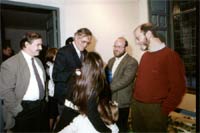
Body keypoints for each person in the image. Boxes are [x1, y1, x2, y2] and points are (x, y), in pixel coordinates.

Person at [53, 28, 112, 132]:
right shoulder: (64, 51)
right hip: (66, 98)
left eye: (88, 43)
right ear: (76, 37)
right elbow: (56, 76)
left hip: (82, 99)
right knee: (64, 127)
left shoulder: (85, 53)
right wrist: (74, 73)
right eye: (83, 41)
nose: (85, 45)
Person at [132, 22, 186, 132]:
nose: (137, 42)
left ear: (148, 34)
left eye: (138, 38)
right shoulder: (145, 56)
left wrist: (164, 110)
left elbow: (178, 88)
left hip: (155, 110)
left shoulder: (170, 56)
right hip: (137, 106)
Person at [0, 32, 49, 132]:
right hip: (24, 109)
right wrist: (18, 111)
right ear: (26, 44)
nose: (41, 48)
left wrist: (45, 99)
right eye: (38, 45)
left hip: (41, 107)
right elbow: (5, 91)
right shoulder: (10, 63)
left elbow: (44, 82)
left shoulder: (38, 61)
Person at [59, 52, 118, 133]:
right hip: (78, 117)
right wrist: (107, 131)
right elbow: (93, 114)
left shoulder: (76, 77)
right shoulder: (93, 86)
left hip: (68, 114)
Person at [106, 37, 138, 132]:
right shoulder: (111, 61)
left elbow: (125, 81)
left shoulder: (132, 62)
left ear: (125, 48)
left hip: (122, 101)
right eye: (115, 46)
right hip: (110, 101)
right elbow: (108, 78)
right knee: (111, 126)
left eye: (119, 47)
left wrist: (106, 89)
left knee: (122, 127)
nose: (116, 49)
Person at [45, 48, 59, 131]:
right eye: (57, 53)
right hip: (53, 92)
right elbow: (54, 81)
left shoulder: (49, 64)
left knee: (53, 114)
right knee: (53, 114)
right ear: (52, 55)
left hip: (52, 92)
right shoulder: (51, 66)